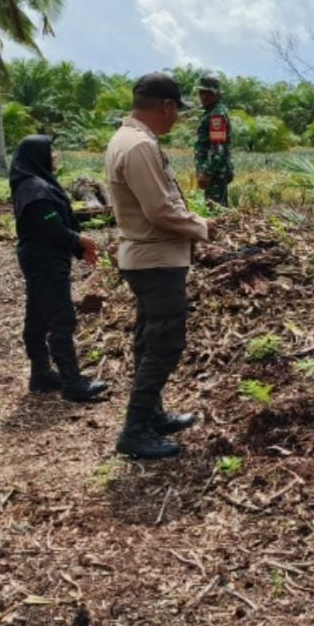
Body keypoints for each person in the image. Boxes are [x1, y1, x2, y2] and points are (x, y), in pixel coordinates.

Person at [105, 72, 214, 459]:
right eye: (176, 111)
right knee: (165, 343)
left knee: (149, 339)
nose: (177, 120)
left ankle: (151, 415)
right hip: (155, 259)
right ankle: (134, 430)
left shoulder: (128, 140)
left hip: (147, 257)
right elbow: (158, 209)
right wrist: (201, 226)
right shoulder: (138, 147)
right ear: (165, 106)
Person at [8, 135, 110, 402]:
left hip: (44, 257)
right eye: (50, 152)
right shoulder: (34, 189)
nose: (54, 156)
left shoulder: (37, 183)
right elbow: (50, 227)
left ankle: (41, 374)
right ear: (37, 156)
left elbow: (56, 225)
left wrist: (77, 248)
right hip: (44, 260)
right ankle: (72, 383)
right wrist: (79, 241)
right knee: (61, 318)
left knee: (38, 314)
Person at [195, 74, 233, 207]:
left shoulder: (217, 114)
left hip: (215, 173)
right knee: (216, 208)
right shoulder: (210, 111)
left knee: (215, 210)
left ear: (216, 94)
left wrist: (206, 172)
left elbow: (218, 147)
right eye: (201, 92)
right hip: (214, 172)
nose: (203, 97)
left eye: (208, 93)